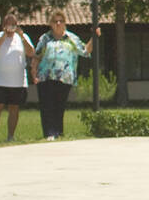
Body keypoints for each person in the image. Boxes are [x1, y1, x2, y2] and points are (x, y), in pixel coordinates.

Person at [31, 12, 99, 140]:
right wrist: (34, 73)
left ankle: (58, 132)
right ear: (51, 24)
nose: (58, 23)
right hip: (45, 77)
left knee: (59, 105)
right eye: (55, 21)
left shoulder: (71, 38)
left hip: (64, 77)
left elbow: (85, 51)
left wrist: (94, 36)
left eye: (61, 21)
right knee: (47, 105)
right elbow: (36, 56)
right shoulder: (45, 38)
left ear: (65, 23)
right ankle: (49, 133)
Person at [0, 12, 35, 143]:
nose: (11, 27)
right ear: (3, 25)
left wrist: (22, 37)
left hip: (18, 81)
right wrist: (3, 36)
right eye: (8, 24)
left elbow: (31, 53)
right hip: (0, 80)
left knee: (14, 108)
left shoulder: (22, 37)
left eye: (13, 24)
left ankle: (10, 137)